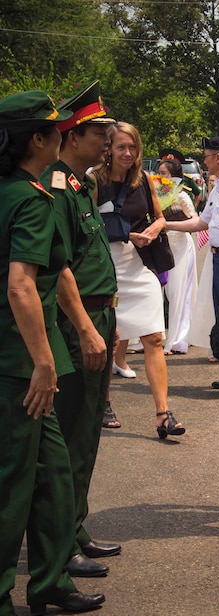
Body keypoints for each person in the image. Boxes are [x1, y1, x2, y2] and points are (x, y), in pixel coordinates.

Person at [0, 89, 105, 616]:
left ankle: (49, 582)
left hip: (23, 360)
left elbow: (53, 271)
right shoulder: (29, 198)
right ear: (37, 140)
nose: (63, 135)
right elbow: (22, 287)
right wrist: (44, 362)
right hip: (20, 364)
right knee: (14, 487)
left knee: (53, 477)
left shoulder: (24, 190)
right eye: (56, 130)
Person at [43, 81, 123, 581]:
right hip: (80, 322)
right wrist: (86, 331)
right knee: (68, 434)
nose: (108, 142)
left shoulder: (80, 185)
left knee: (88, 430)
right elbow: (60, 268)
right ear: (72, 136)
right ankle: (58, 543)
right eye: (99, 133)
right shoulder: (55, 187)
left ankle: (74, 529)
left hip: (99, 317)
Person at [93, 121, 185, 438]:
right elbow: (84, 226)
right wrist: (124, 233)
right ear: (108, 148)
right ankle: (102, 402)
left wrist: (155, 229)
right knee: (109, 339)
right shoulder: (94, 180)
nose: (128, 153)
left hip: (139, 266)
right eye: (121, 147)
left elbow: (159, 216)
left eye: (133, 147)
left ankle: (163, 413)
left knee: (154, 338)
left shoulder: (143, 179)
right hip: (106, 268)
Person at [165, 136, 219, 394]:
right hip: (218, 257)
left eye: (206, 157)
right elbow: (201, 222)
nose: (204, 162)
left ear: (218, 157)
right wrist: (165, 224)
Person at [156, 158, 198, 355]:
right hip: (163, 245)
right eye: (159, 173)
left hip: (180, 245)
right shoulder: (156, 195)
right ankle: (155, 335)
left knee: (179, 292)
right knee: (159, 291)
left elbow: (195, 220)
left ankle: (177, 338)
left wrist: (170, 224)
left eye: (163, 173)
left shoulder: (182, 196)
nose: (160, 177)